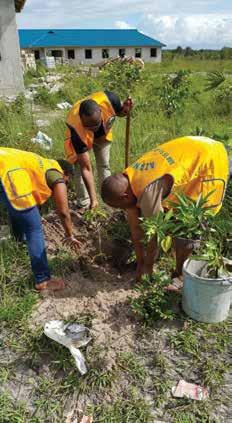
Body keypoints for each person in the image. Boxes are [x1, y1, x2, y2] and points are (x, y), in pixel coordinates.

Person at [101, 136, 230, 281]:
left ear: (124, 197)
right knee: (171, 216)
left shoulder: (148, 194)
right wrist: (140, 263)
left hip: (209, 156)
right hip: (192, 145)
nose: (123, 209)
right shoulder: (128, 179)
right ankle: (175, 265)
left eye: (121, 207)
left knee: (187, 228)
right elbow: (136, 229)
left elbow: (154, 236)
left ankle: (180, 274)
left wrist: (148, 267)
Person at [0, 148, 81, 291]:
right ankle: (42, 280)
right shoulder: (57, 175)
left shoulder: (42, 164)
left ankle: (18, 243)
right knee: (34, 228)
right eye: (67, 182)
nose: (65, 185)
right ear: (66, 174)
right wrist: (70, 235)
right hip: (8, 173)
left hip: (4, 167)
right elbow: (63, 212)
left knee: (17, 209)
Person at [64, 91, 133, 211]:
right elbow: (86, 168)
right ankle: (84, 204)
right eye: (89, 126)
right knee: (80, 169)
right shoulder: (76, 128)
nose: (93, 129)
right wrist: (93, 198)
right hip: (82, 137)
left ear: (101, 112)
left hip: (103, 135)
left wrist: (125, 110)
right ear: (81, 119)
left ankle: (109, 201)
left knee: (104, 165)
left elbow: (119, 112)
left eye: (95, 125)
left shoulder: (110, 100)